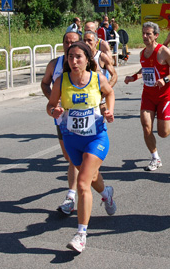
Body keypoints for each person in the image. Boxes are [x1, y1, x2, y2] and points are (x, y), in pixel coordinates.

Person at [47, 41, 116, 253]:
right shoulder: (62, 80)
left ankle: (81, 234)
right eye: (70, 57)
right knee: (93, 178)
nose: (74, 61)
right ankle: (107, 193)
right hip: (72, 140)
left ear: (88, 59)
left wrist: (109, 111)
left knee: (83, 183)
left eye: (78, 57)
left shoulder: (97, 78)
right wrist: (54, 112)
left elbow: (109, 93)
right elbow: (50, 105)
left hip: (96, 138)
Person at [124, 22, 170, 171]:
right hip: (148, 95)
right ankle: (155, 158)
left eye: (148, 34)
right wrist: (134, 77)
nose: (145, 36)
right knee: (146, 127)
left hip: (163, 96)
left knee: (163, 133)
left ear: (156, 35)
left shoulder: (163, 51)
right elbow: (144, 69)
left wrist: (165, 79)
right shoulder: (143, 53)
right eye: (143, 33)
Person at [40, 31, 82, 215]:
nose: (69, 45)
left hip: (83, 119)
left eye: (73, 42)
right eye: (66, 42)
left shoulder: (86, 65)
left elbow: (100, 87)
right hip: (61, 119)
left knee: (75, 159)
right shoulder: (54, 64)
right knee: (70, 157)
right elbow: (44, 84)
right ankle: (98, 187)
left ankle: (71, 196)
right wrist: (53, 100)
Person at [83, 30, 118, 111]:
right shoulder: (80, 56)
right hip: (84, 99)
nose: (86, 43)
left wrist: (105, 91)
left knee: (100, 122)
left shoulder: (102, 57)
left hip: (99, 102)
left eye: (89, 40)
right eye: (84, 40)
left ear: (96, 43)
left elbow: (114, 75)